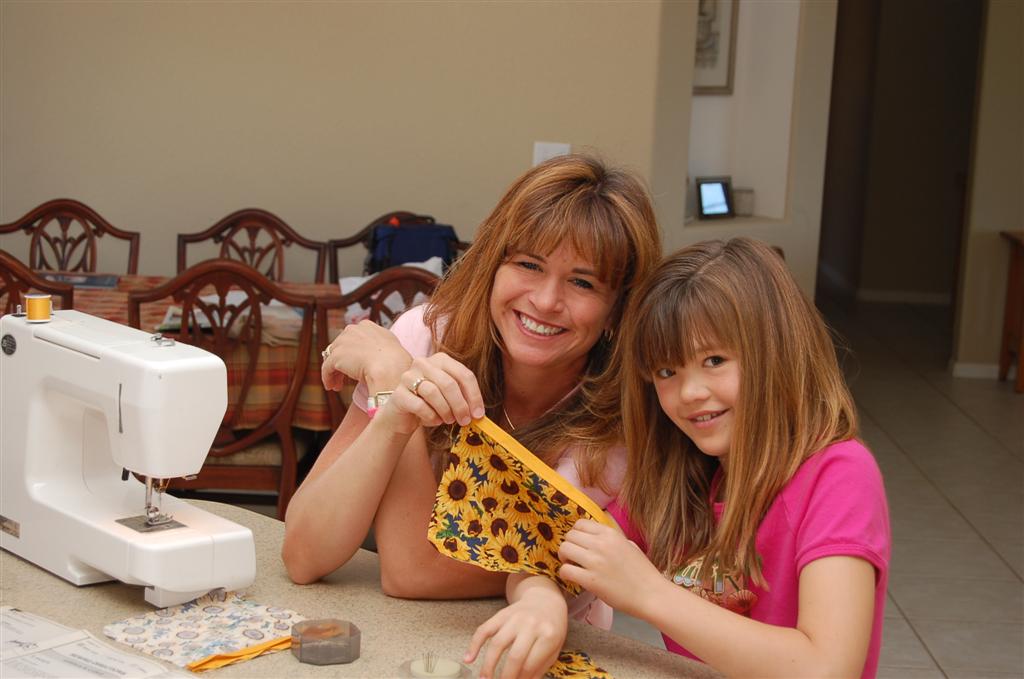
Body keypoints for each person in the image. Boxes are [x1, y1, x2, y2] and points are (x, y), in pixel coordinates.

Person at [282, 154, 662, 678]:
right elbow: (304, 554)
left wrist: (394, 380)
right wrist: (395, 408)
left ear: (618, 307)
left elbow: (416, 572)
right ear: (492, 263)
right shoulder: (423, 335)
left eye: (583, 283)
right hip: (400, 644)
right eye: (528, 265)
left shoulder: (618, 429)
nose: (545, 300)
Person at [558, 238, 891, 678]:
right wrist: (539, 601)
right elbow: (558, 546)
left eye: (714, 360)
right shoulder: (683, 474)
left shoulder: (840, 473)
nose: (690, 392)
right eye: (666, 371)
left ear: (777, 352)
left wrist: (648, 592)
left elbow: (826, 668)